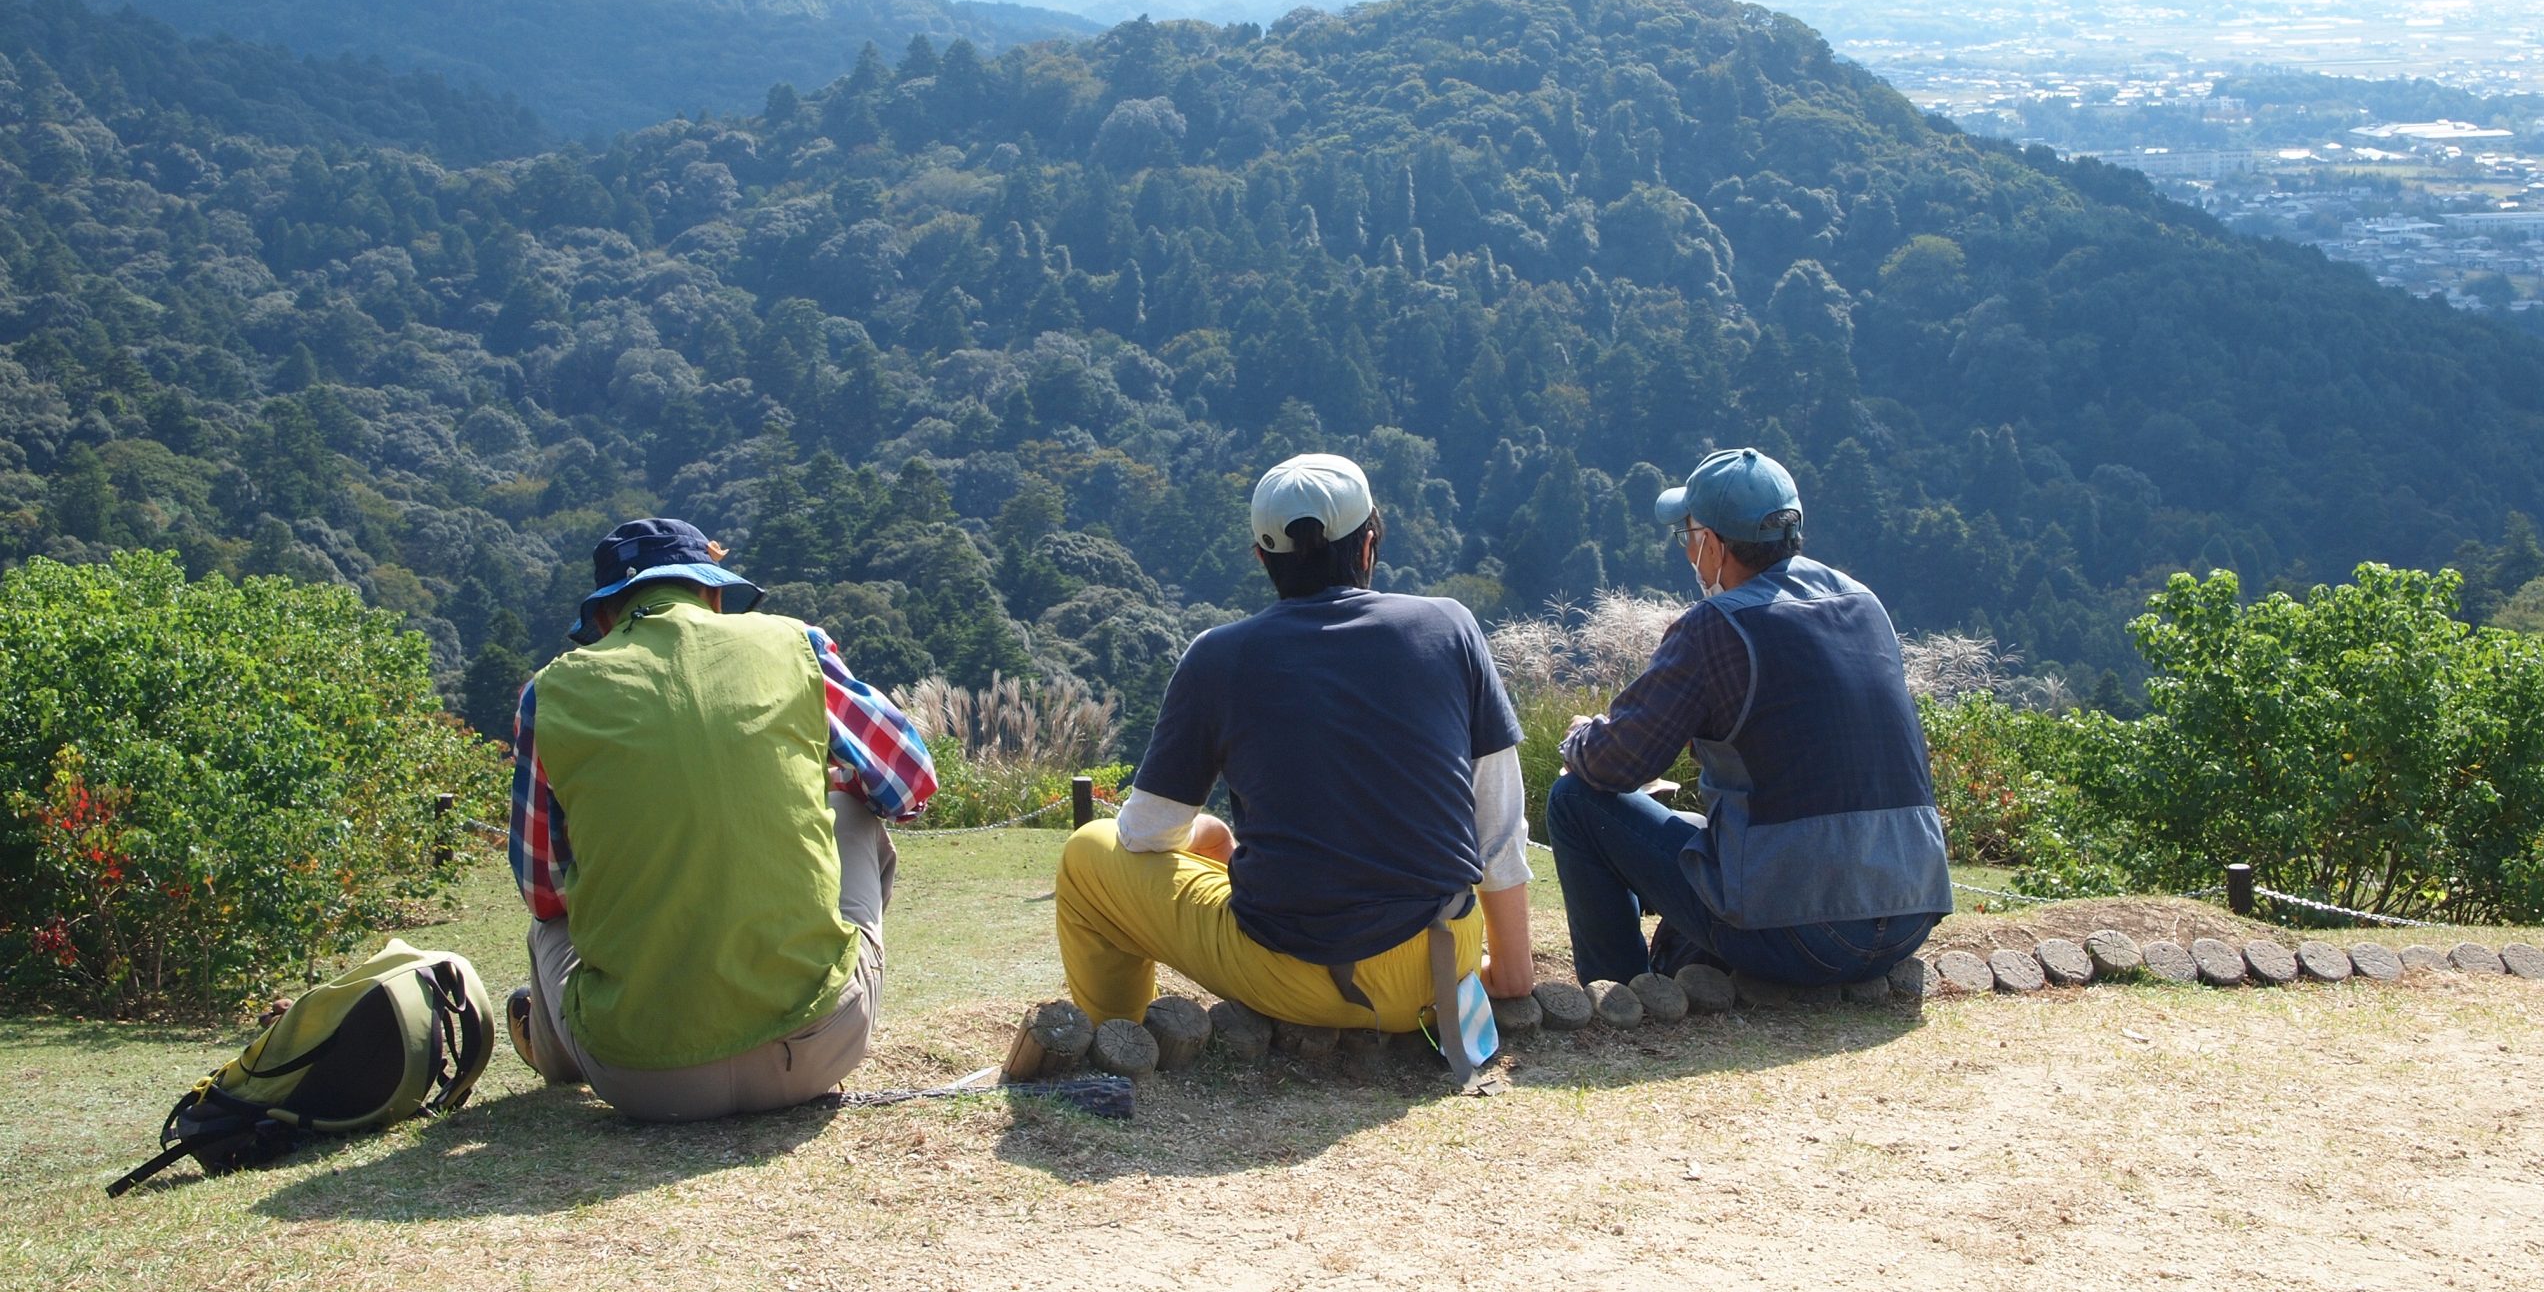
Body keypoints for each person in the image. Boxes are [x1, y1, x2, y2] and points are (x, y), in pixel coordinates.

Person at [1044, 453, 1534, 1052]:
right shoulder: (1450, 627)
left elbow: (1144, 834)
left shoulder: (1219, 657)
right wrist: (1510, 965)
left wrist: (1203, 830)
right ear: (1369, 543)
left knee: (1086, 853)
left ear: (1262, 558)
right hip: (1442, 968)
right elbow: (1498, 815)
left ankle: (1116, 1044)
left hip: (1299, 980)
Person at [505, 517, 937, 1120]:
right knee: (853, 807)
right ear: (711, 592)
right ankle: (809, 976)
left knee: (546, 927)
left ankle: (558, 1056)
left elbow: (543, 892)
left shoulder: (547, 694)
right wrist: (824, 783)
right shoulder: (796, 645)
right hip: (816, 1052)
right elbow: (910, 785)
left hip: (640, 1082)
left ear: (603, 617)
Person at [1546, 448, 1951, 989]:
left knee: (1574, 802)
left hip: (1804, 934)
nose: (1687, 550)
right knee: (1701, 836)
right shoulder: (1865, 604)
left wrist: (1579, 737)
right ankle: (1686, 969)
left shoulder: (1715, 627)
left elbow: (1613, 764)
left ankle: (1622, 996)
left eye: (1687, 535)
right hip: (1908, 918)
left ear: (1711, 545)